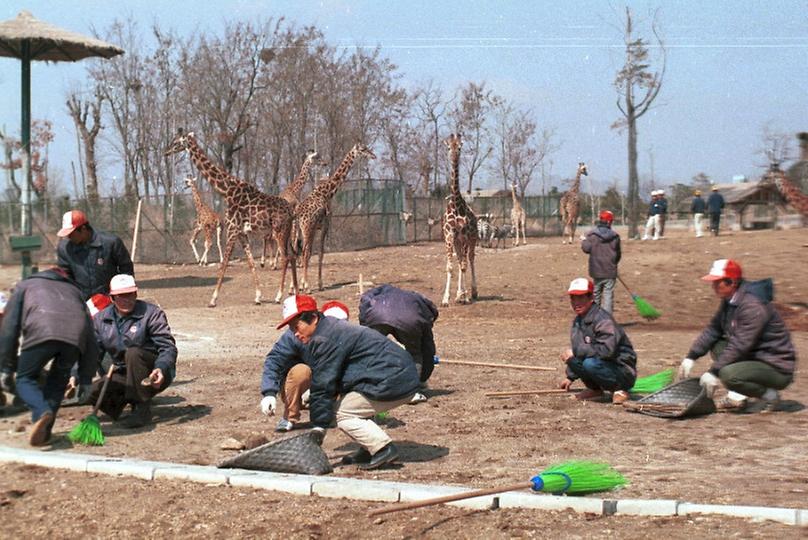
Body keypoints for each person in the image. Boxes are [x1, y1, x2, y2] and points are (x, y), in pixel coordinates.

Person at [277, 294, 419, 470]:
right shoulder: (328, 330)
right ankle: (368, 448)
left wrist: (319, 427)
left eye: (296, 326)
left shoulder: (325, 339)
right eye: (291, 328)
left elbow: (323, 383)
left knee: (342, 414)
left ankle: (383, 449)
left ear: (313, 318)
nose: (295, 333)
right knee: (350, 402)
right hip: (394, 373)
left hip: (395, 378)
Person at [677, 259, 796, 412]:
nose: (713, 286)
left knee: (729, 375)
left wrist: (713, 372)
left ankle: (770, 396)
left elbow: (740, 345)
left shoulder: (752, 306)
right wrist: (691, 357)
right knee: (718, 345)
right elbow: (714, 329)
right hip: (755, 357)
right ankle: (739, 395)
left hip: (776, 366)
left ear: (732, 282)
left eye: (717, 282)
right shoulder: (730, 299)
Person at [0, 267, 98, 445]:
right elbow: (91, 338)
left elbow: (10, 328)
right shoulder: (74, 291)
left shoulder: (26, 285)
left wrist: (6, 367)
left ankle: (41, 410)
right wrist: (86, 378)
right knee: (58, 383)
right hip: (73, 337)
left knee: (25, 379)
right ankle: (44, 433)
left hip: (41, 332)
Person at [90, 274, 177, 428]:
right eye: (120, 296)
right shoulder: (100, 320)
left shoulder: (152, 314)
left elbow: (167, 347)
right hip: (124, 373)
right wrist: (76, 375)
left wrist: (161, 367)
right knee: (91, 391)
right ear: (112, 298)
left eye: (130, 294)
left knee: (133, 353)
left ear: (136, 294)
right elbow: (91, 353)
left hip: (152, 373)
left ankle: (141, 408)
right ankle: (125, 402)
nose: (126, 300)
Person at [260, 299, 349, 432]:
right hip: (299, 390)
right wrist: (269, 393)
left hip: (327, 390)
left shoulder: (348, 338)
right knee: (301, 371)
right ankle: (289, 417)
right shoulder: (293, 337)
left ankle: (332, 414)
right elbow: (274, 360)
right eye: (292, 327)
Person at [559, 278, 637, 404]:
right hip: (600, 364)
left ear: (591, 298)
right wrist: (570, 376)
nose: (576, 302)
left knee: (588, 362)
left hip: (621, 370)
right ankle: (594, 389)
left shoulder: (603, 320)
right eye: (573, 298)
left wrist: (576, 352)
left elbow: (606, 351)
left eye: (581, 298)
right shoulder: (578, 321)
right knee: (571, 357)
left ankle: (620, 390)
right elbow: (579, 349)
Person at [358, 284, 439, 403]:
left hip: (377, 314)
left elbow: (365, 299)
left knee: (370, 351)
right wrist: (423, 378)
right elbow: (427, 349)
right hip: (408, 320)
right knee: (415, 354)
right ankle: (411, 393)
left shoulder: (380, 291)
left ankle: (364, 386)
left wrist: (365, 323)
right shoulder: (420, 306)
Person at [56, 209, 134, 302]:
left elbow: (126, 269)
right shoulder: (65, 249)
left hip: (109, 301)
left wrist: (121, 294)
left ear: (83, 229)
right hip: (82, 302)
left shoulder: (111, 243)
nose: (69, 237)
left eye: (71, 234)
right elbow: (65, 277)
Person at [581, 210, 621, 313]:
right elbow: (618, 254)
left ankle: (595, 317)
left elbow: (586, 249)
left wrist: (584, 240)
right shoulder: (615, 236)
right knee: (608, 295)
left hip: (596, 270)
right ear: (609, 222)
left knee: (596, 294)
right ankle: (607, 320)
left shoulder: (592, 235)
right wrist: (614, 264)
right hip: (610, 270)